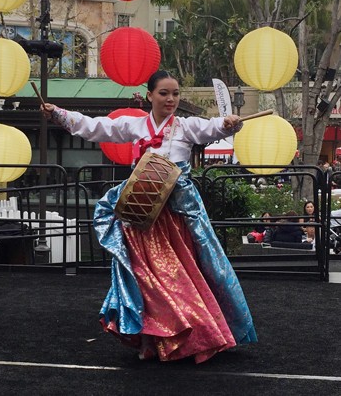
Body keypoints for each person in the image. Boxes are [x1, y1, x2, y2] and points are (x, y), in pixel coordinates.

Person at [41, 70, 257, 363]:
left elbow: (212, 128)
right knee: (144, 280)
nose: (170, 99)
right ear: (149, 95)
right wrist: (59, 114)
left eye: (175, 94)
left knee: (179, 279)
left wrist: (227, 124)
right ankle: (149, 339)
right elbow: (95, 127)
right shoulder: (134, 125)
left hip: (176, 217)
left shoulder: (186, 126)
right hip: (141, 214)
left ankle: (191, 335)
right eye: (164, 93)